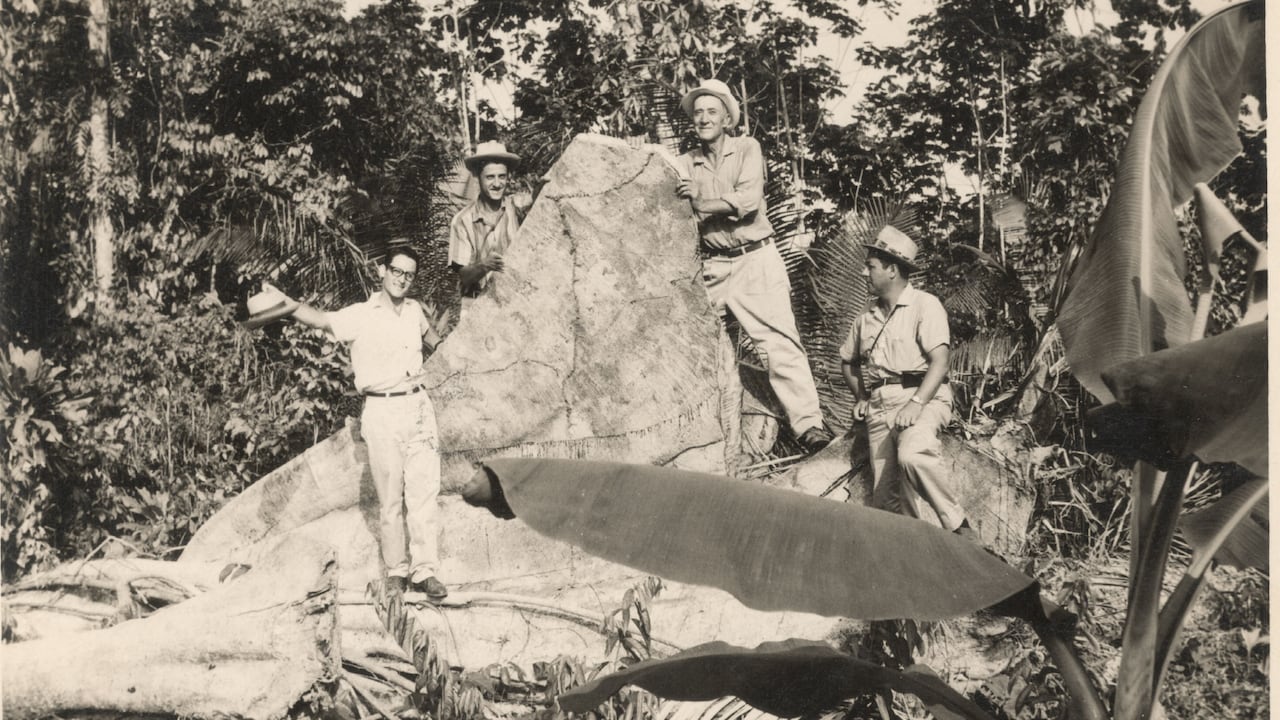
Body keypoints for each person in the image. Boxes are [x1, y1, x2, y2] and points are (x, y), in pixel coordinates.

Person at [272, 245, 449, 599]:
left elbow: (434, 341)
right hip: (381, 411)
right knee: (389, 499)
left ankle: (425, 571)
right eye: (396, 271)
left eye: (408, 275)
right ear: (382, 271)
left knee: (424, 494)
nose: (401, 279)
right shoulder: (361, 314)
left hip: (417, 407)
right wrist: (286, 304)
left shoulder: (414, 311)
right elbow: (321, 319)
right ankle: (397, 571)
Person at [675, 78, 833, 454]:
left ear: (727, 118)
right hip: (712, 266)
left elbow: (746, 200)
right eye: (698, 112)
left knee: (779, 343)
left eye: (712, 111)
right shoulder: (685, 162)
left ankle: (809, 426)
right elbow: (673, 209)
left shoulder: (747, 147)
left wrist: (700, 203)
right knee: (692, 344)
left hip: (755, 260)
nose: (703, 118)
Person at [839, 225, 973, 535]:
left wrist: (915, 404)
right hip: (879, 409)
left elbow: (940, 362)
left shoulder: (925, 305)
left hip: (922, 398)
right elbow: (847, 362)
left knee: (913, 455)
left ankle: (959, 527)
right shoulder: (865, 317)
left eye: (870, 266)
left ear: (892, 269)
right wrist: (861, 396)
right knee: (888, 506)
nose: (864, 273)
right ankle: (919, 561)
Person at [449, 141, 525, 297]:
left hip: (512, 299)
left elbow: (535, 198)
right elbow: (464, 276)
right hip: (475, 304)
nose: (497, 184)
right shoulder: (462, 221)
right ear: (477, 176)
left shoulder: (515, 207)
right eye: (490, 177)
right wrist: (484, 265)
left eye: (502, 176)